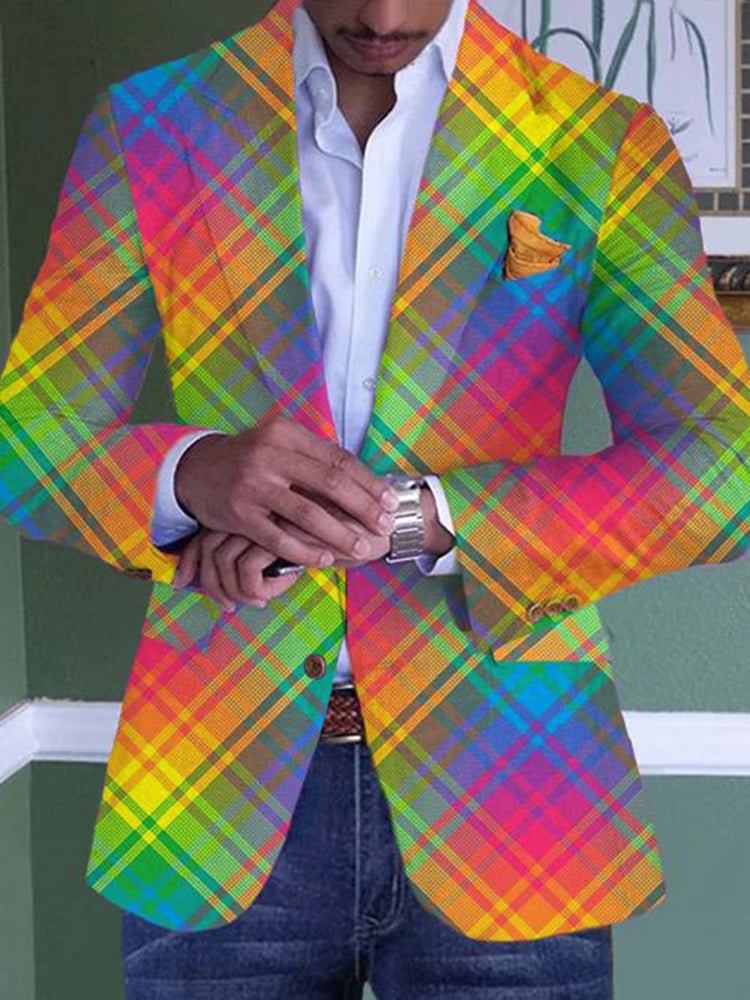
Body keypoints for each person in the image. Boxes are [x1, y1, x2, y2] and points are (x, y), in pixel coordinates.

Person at [1, 0, 748, 996]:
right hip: (215, 789)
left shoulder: (599, 140)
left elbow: (722, 469)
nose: (383, 15)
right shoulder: (155, 123)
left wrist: (426, 519)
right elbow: (27, 440)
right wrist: (194, 476)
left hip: (512, 793)